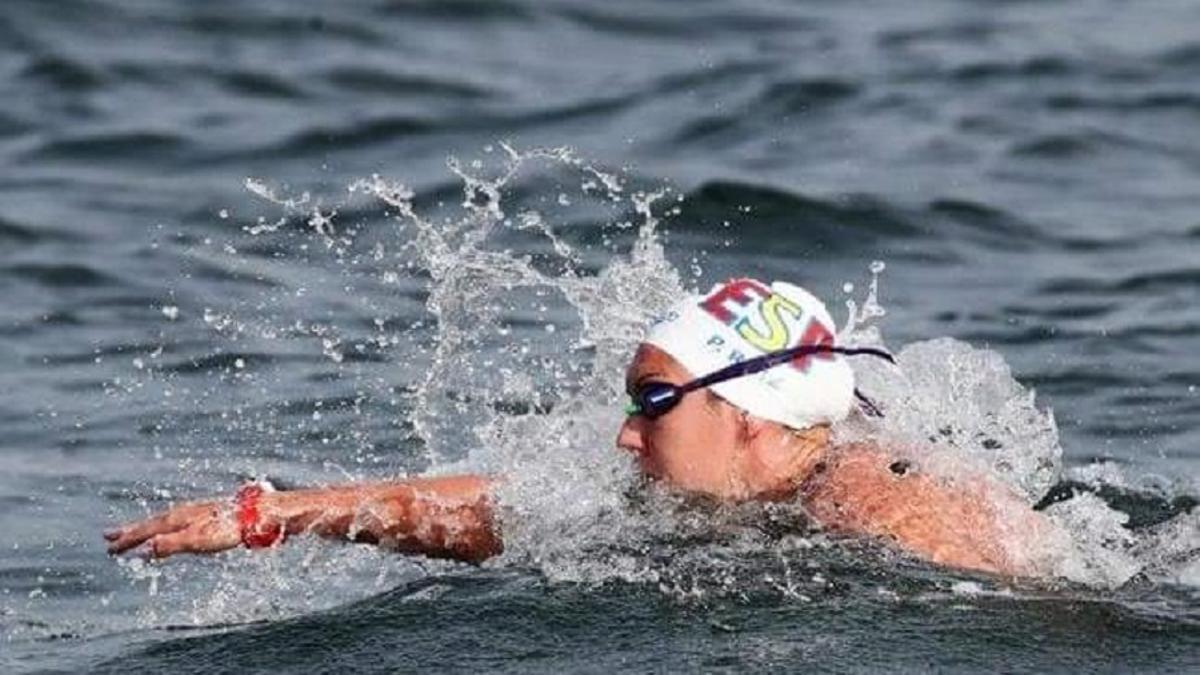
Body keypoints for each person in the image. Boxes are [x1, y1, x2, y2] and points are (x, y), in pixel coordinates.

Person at [105, 278, 1059, 577]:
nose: (624, 435)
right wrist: (279, 512)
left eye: (652, 399)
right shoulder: (747, 493)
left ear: (754, 415)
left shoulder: (873, 497)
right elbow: (505, 512)